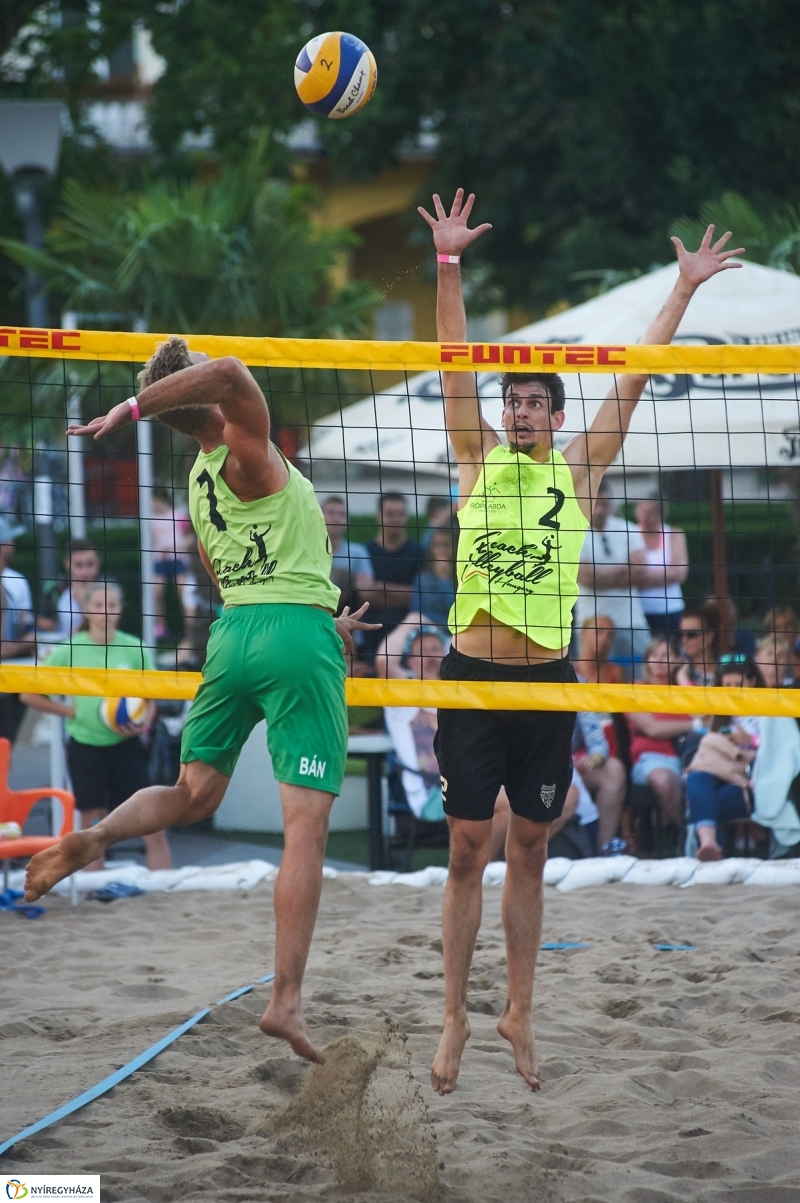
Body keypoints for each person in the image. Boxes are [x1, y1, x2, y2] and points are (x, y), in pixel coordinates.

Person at [418, 185, 741, 1094]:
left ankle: (517, 1009)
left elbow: (635, 371)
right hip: (474, 676)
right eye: (510, 401)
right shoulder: (476, 458)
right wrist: (448, 263)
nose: (518, 413)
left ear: (556, 418)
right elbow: (450, 358)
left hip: (549, 679)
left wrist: (682, 289)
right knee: (465, 847)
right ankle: (453, 1015)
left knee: (532, 845)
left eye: (532, 405)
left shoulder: (581, 467)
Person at [24, 335, 379, 1067]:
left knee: (192, 790)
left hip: (237, 634)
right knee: (306, 825)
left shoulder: (198, 478)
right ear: (203, 399)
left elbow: (231, 577)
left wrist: (322, 612)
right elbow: (234, 372)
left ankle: (96, 837)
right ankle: (284, 1000)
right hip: (292, 635)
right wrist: (129, 406)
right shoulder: (245, 442)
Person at [20, 580, 172, 872]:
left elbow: (152, 700)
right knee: (93, 824)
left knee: (151, 820)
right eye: (98, 605)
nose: (105, 612)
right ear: (86, 610)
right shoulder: (69, 649)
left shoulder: (135, 647)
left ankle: (164, 888)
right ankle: (95, 888)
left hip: (125, 745)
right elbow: (28, 694)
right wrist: (69, 711)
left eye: (112, 605)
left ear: (120, 611)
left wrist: (143, 723)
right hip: (85, 746)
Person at [685, 657, 763, 861]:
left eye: (738, 685)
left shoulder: (769, 708)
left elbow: (779, 747)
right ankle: (709, 844)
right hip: (717, 771)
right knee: (696, 778)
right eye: (727, 685)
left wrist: (751, 740)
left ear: (753, 682)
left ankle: (708, 845)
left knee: (704, 803)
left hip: (748, 779)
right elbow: (694, 720)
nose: (732, 690)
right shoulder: (719, 712)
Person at [575, 479, 651, 677]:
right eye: (595, 504)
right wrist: (625, 571)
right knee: (590, 682)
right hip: (591, 623)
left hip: (631, 621)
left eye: (605, 504)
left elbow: (641, 570)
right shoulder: (573, 532)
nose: (600, 510)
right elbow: (585, 577)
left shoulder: (630, 529)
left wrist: (599, 577)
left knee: (643, 679)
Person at [627, 638, 694, 828]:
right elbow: (653, 729)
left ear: (679, 661)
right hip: (650, 759)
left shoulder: (687, 688)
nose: (658, 660)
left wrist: (682, 679)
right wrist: (691, 725)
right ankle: (689, 834)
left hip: (691, 758)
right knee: (664, 781)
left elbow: (705, 718)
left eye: (665, 655)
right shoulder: (636, 689)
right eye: (654, 655)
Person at [360, 493, 423, 661]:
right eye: (390, 514)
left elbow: (420, 597)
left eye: (400, 514)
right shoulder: (364, 552)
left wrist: (380, 587)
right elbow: (364, 596)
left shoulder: (418, 553)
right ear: (378, 516)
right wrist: (402, 593)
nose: (395, 519)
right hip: (370, 635)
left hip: (406, 633)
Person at [572, 709, 627, 854]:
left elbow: (597, 741)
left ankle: (604, 850)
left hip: (571, 760)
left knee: (614, 770)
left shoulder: (578, 688)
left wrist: (595, 758)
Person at [635, 493, 688, 635]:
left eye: (651, 513)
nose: (645, 517)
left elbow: (680, 573)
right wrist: (665, 577)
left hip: (670, 610)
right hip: (637, 613)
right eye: (642, 511)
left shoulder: (674, 535)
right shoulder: (629, 534)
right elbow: (627, 575)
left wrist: (641, 580)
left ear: (662, 514)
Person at [151, 490, 193, 642]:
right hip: (160, 561)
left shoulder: (178, 516)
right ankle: (160, 627)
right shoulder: (151, 519)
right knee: (156, 594)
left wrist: (174, 547)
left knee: (184, 596)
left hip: (178, 559)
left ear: (159, 499)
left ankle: (189, 630)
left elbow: (190, 537)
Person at [37, 538, 101, 638]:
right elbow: (44, 629)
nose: (84, 573)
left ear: (98, 563)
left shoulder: (108, 591)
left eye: (90, 564)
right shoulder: (54, 590)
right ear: (68, 564)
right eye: (78, 565)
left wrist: (84, 602)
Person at [321, 495, 375, 609]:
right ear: (320, 517)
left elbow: (367, 591)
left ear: (347, 520)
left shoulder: (358, 552)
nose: (336, 519)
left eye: (341, 514)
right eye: (331, 513)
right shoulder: (308, 551)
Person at [409, 523, 457, 632]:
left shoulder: (462, 577)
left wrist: (444, 580)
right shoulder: (422, 579)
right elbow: (416, 611)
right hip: (424, 632)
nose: (441, 550)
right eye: (437, 545)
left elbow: (455, 614)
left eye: (446, 545)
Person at [572, 615, 625, 684]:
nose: (604, 638)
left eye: (610, 634)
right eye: (599, 631)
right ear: (584, 633)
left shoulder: (616, 672)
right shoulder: (569, 670)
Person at [676, 605, 719, 685]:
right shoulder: (676, 668)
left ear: (709, 636)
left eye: (691, 634)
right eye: (681, 634)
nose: (684, 640)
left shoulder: (726, 666)